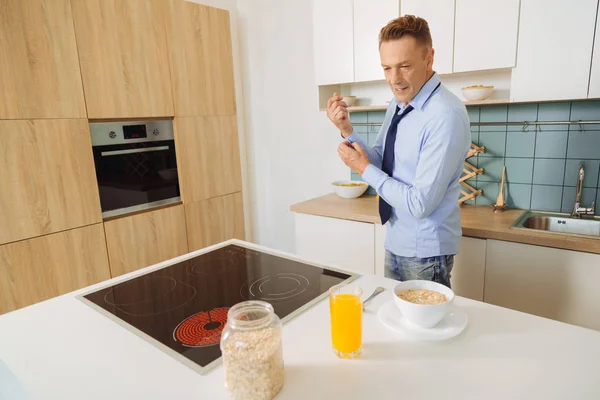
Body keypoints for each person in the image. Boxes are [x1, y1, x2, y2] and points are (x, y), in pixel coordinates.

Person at [326, 15, 471, 288]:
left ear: (429, 58)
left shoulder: (445, 115)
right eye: (387, 68)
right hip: (396, 240)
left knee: (423, 331)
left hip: (426, 252)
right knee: (397, 328)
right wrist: (347, 130)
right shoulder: (399, 102)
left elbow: (419, 204)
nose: (395, 79)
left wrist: (362, 169)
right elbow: (381, 158)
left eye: (404, 66)